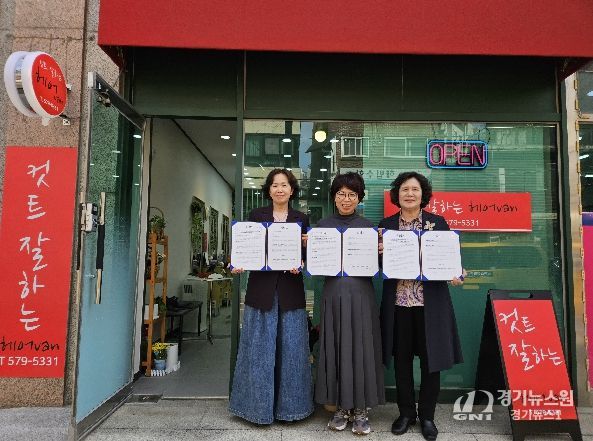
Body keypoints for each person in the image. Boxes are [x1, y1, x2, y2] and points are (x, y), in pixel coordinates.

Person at [379, 171, 465, 441]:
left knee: (431, 361)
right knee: (402, 360)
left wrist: (457, 273)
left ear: (423, 194)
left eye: (414, 189)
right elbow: (376, 265)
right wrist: (378, 253)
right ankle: (406, 413)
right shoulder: (386, 225)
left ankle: (427, 415)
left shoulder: (437, 223)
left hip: (431, 304)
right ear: (397, 195)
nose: (409, 194)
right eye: (404, 189)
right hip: (399, 303)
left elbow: (450, 258)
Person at [228, 168, 314, 424]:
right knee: (258, 352)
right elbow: (246, 247)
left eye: (284, 185)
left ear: (292, 190)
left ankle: (292, 410)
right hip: (261, 291)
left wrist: (302, 259)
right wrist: (238, 262)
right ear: (269, 190)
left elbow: (308, 257)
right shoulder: (257, 216)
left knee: (293, 352)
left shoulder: (301, 219)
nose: (279, 189)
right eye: (275, 185)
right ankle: (255, 410)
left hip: (290, 292)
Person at [314, 172, 385, 435]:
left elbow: (380, 265)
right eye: (341, 194)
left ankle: (361, 409)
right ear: (334, 197)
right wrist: (308, 248)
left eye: (352, 194)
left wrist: (382, 250)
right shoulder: (322, 226)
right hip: (333, 293)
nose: (346, 199)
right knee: (336, 346)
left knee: (361, 347)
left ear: (359, 198)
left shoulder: (369, 227)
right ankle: (341, 407)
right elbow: (315, 263)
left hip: (361, 294)